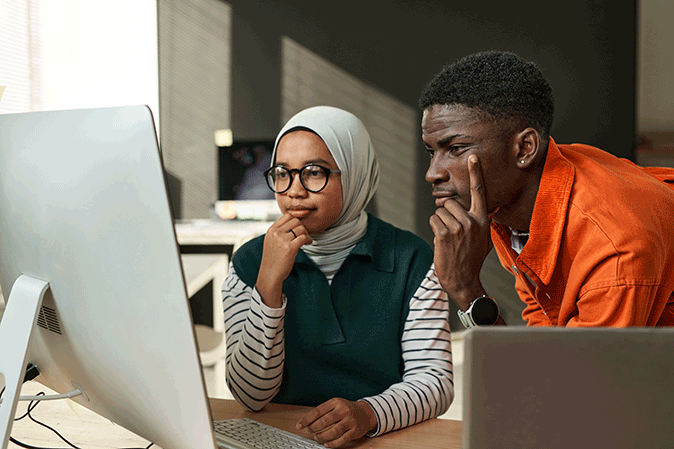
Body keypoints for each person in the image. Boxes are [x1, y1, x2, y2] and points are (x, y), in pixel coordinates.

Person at [222, 106, 453, 447]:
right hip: (284, 437)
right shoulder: (249, 261)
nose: (294, 191)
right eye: (282, 173)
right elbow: (251, 395)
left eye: (314, 172)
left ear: (355, 172)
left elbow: (434, 380)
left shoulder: (412, 259)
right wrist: (268, 285)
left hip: (381, 438)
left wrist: (368, 413)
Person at [420, 50, 674, 328]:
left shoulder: (614, 247)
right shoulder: (514, 210)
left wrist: (465, 288)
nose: (433, 173)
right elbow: (544, 343)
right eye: (432, 151)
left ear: (525, 148)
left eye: (455, 149)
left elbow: (583, 370)